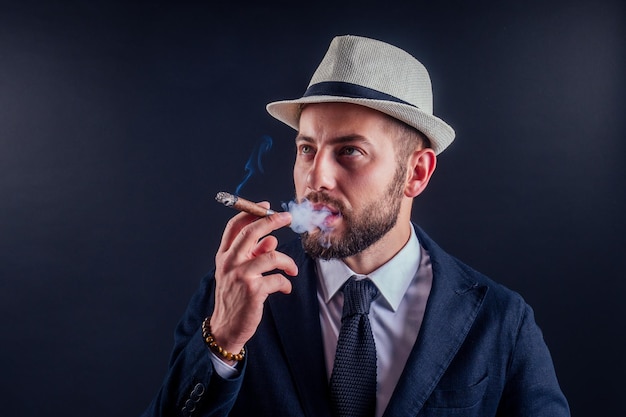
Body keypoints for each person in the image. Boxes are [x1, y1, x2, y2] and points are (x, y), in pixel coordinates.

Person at [141, 35, 570, 417]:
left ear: (416, 173)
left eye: (349, 151)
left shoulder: (500, 323)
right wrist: (222, 344)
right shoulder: (231, 294)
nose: (315, 179)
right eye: (307, 148)